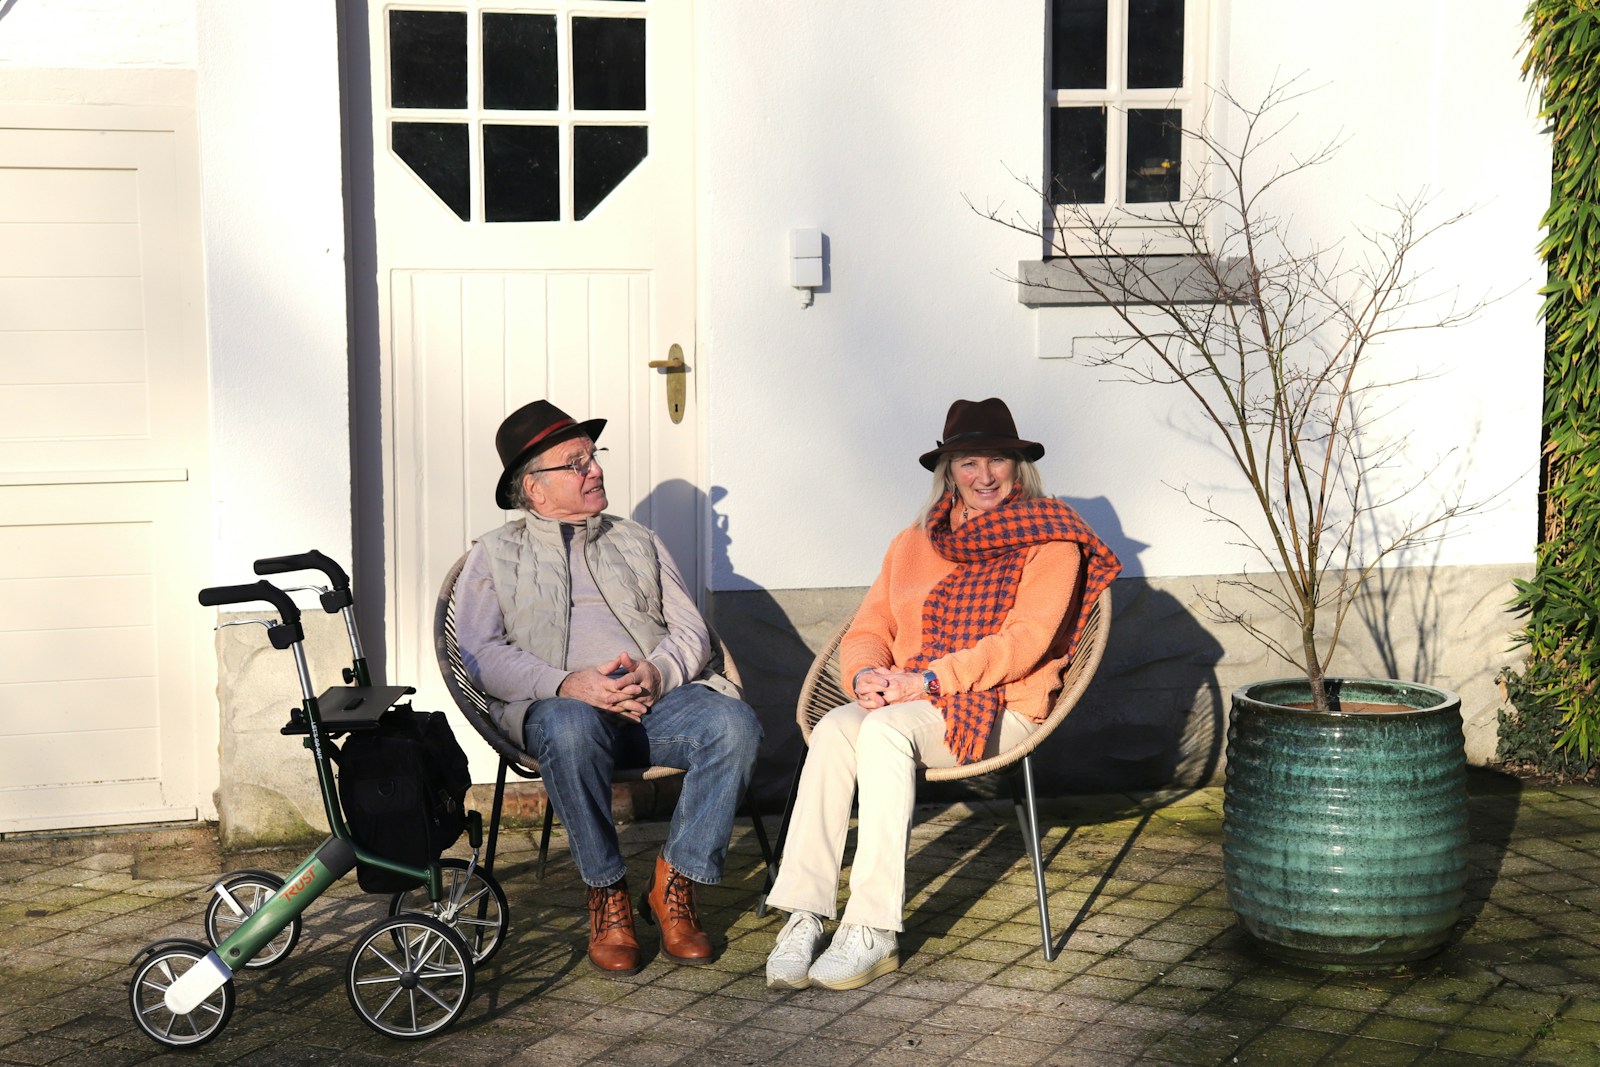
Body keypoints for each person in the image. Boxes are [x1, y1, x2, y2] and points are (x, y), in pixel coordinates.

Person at [763, 397, 1120, 991]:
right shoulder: (913, 543)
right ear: (948, 472)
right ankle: (805, 912)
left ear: (1018, 466)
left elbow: (1025, 641)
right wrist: (865, 676)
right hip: (912, 698)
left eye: (997, 460)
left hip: (1002, 706)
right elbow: (870, 628)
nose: (985, 476)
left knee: (883, 731)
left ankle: (872, 927)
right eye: (968, 462)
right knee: (834, 729)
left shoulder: (1050, 539)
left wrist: (927, 681)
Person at [455, 399, 762, 976]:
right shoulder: (493, 555)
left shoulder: (637, 539)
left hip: (656, 703)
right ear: (535, 488)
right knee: (569, 727)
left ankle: (674, 883)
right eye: (576, 463)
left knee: (734, 724)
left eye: (593, 457)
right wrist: (566, 683)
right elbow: (479, 654)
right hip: (562, 710)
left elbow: (691, 629)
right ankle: (607, 894)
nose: (594, 470)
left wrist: (658, 672)